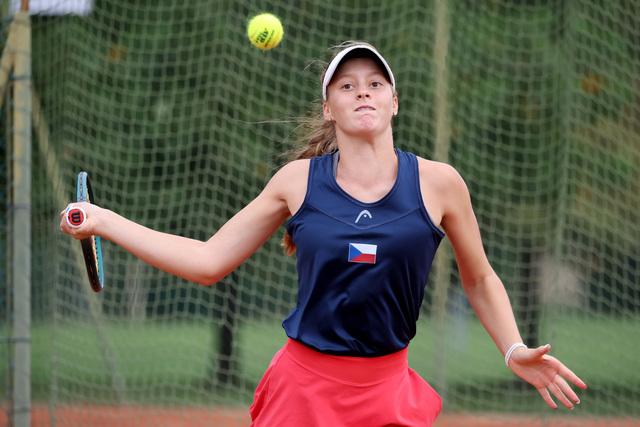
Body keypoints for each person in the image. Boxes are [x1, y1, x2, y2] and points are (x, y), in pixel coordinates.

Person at [60, 41, 587, 426]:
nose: (363, 92)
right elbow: (208, 261)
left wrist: (513, 349)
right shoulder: (296, 182)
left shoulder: (440, 183)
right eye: (347, 86)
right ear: (329, 108)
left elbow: (480, 278)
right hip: (303, 392)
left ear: (394, 102)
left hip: (388, 390)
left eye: (375, 84)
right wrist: (104, 220)